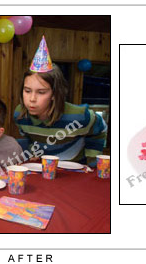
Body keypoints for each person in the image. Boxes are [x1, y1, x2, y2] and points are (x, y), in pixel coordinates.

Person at [13, 36, 107, 166]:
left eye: (41, 92)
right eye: (27, 91)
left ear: (54, 93)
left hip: (76, 170)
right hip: (46, 169)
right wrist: (33, 150)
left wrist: (92, 159)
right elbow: (29, 137)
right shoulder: (19, 115)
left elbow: (100, 129)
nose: (32, 99)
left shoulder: (79, 116)